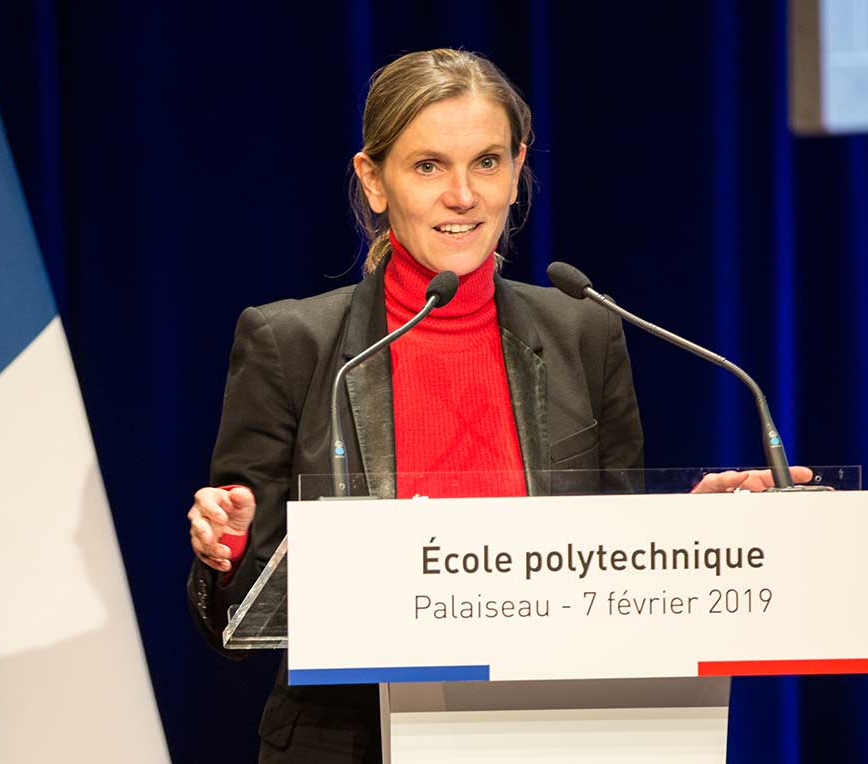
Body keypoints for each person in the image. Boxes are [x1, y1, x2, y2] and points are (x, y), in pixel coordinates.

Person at [182, 48, 803, 763]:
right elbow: (235, 622)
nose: (463, 195)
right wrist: (225, 554)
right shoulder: (292, 344)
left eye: (486, 162)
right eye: (428, 166)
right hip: (349, 741)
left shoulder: (583, 331)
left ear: (517, 169)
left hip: (550, 733)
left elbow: (608, 568)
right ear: (374, 181)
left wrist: (695, 536)